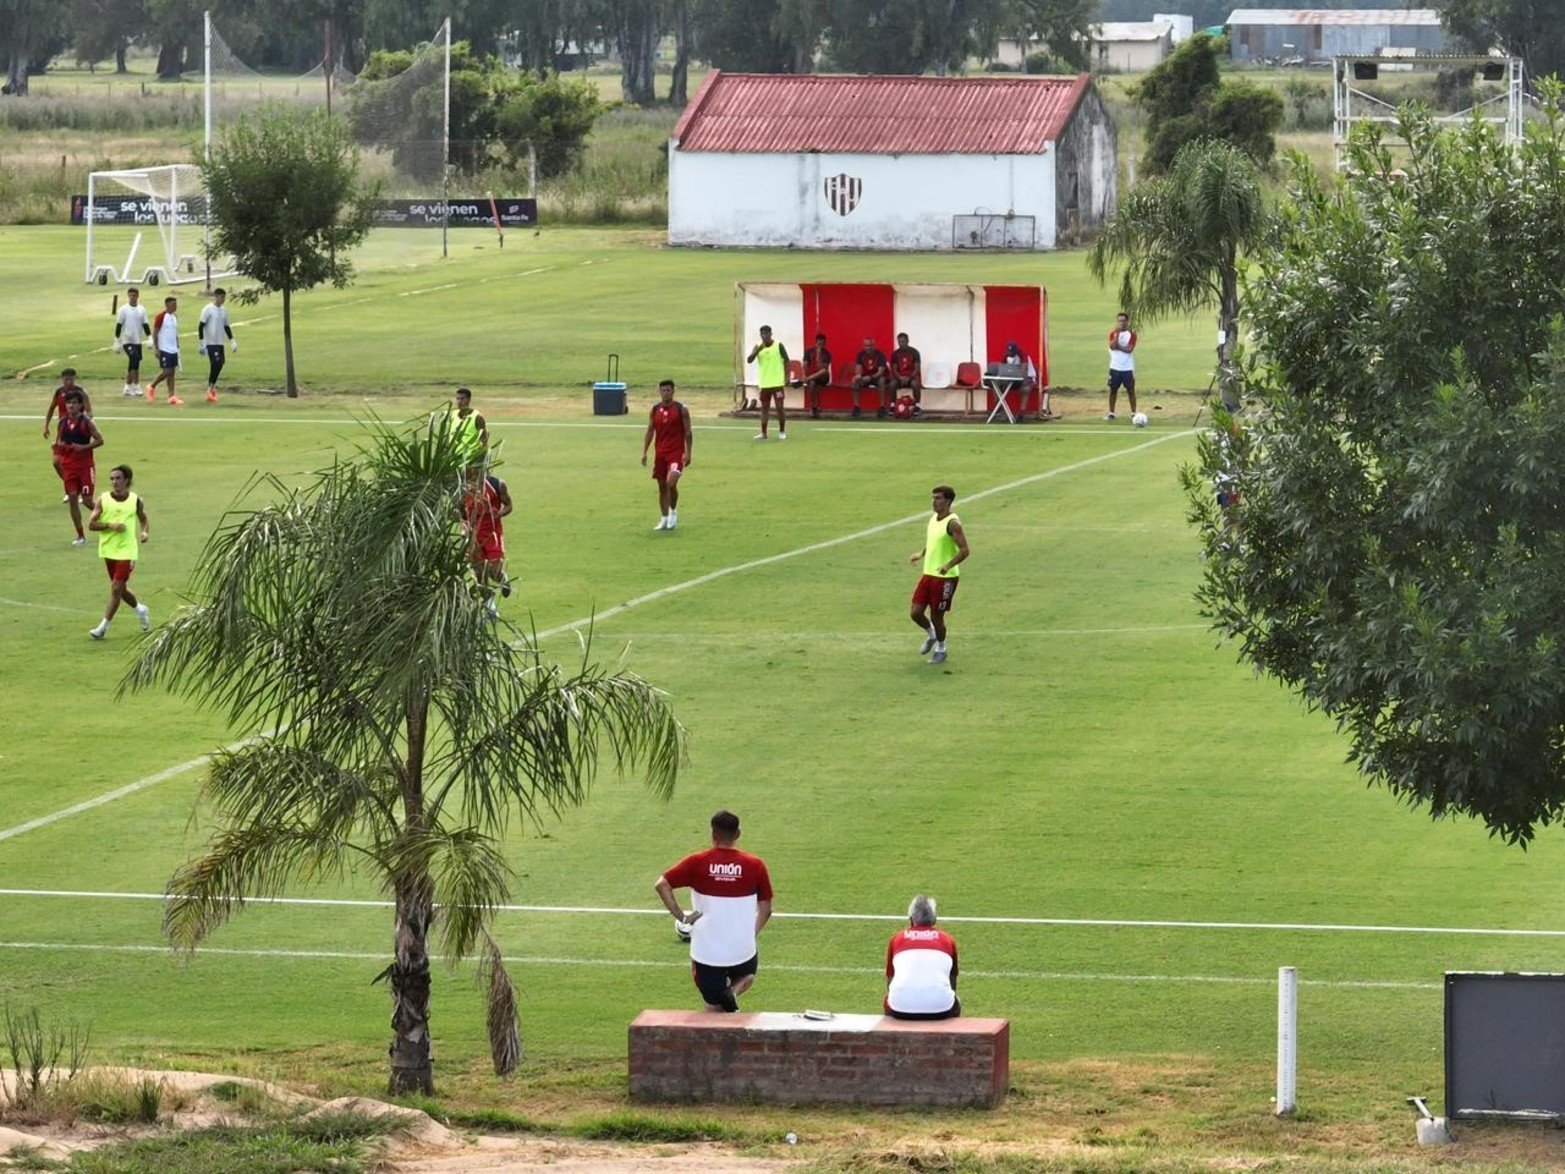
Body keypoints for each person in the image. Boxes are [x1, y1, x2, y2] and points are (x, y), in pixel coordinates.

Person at [655, 809, 773, 1013]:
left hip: (706, 951)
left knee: (713, 1007)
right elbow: (766, 908)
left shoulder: (697, 862)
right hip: (742, 948)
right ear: (738, 834)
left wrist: (682, 916)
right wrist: (750, 934)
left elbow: (661, 884)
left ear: (713, 834)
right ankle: (733, 992)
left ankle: (722, 1021)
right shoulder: (756, 865)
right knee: (747, 976)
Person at [908, 484, 970, 666]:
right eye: (933, 498)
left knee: (937, 616)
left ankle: (941, 648)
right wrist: (921, 553)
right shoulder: (933, 519)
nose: (934, 502)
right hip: (928, 574)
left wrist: (948, 565)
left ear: (948, 501)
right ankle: (932, 635)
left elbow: (965, 550)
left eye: (938, 498)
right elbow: (934, 542)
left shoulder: (953, 524)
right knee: (916, 613)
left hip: (945, 578)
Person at [87, 464, 151, 639]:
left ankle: (102, 628)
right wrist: (110, 525)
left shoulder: (136, 500)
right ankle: (140, 610)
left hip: (127, 550)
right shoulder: (103, 499)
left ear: (127, 480)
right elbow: (91, 524)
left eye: (118, 478)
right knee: (120, 589)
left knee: (115, 589)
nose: (114, 482)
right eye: (112, 479)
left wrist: (145, 532)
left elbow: (143, 519)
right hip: (108, 550)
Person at [884, 894, 960, 1020]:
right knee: (956, 1001)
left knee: (890, 999)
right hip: (941, 1009)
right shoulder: (947, 940)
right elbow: (952, 981)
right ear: (934, 919)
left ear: (911, 919)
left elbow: (890, 979)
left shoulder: (897, 939)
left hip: (899, 1008)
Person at [461, 464, 513, 618]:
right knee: (478, 573)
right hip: (473, 536)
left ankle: (502, 578)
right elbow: (460, 512)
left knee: (493, 572)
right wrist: (464, 528)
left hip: (492, 534)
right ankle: (491, 609)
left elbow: (509, 505)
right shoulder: (463, 488)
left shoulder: (497, 484)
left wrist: (500, 513)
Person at [640, 378, 692, 531]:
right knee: (662, 486)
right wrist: (644, 452)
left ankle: (673, 511)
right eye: (663, 390)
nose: (666, 393)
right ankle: (664, 518)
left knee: (671, 482)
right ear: (659, 391)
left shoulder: (681, 409)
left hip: (676, 452)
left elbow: (688, 433)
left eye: (668, 390)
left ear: (673, 391)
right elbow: (650, 430)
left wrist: (688, 453)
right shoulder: (655, 409)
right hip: (660, 453)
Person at [57, 390, 105, 547]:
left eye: (74, 403)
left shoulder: (86, 422)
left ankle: (109, 517)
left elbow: (100, 440)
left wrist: (84, 447)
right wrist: (58, 446)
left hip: (85, 466)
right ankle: (80, 535)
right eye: (69, 403)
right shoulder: (62, 423)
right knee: (72, 498)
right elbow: (60, 443)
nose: (71, 406)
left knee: (87, 501)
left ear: (80, 405)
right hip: (69, 466)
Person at [44, 368, 92, 503]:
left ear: (75, 378)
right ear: (62, 380)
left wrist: (88, 423)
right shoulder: (59, 392)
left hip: (77, 430)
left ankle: (82, 490)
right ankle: (71, 489)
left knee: (77, 463)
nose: (69, 382)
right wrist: (46, 426)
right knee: (56, 462)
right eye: (66, 379)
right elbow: (51, 408)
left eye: (71, 379)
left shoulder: (81, 393)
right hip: (63, 430)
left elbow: (89, 410)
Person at [745, 324, 789, 441]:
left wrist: (787, 377)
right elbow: (749, 360)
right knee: (764, 408)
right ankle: (764, 433)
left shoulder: (778, 345)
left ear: (771, 334)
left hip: (777, 383)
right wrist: (758, 350)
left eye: (766, 334)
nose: (764, 336)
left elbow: (787, 360)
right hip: (765, 384)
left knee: (780, 407)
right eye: (762, 334)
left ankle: (782, 431)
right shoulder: (758, 346)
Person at [197, 287, 237, 403]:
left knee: (220, 364)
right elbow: (201, 326)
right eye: (221, 297)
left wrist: (232, 341)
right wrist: (201, 342)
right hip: (211, 342)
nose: (223, 299)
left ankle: (211, 386)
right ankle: (210, 389)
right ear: (216, 296)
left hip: (219, 343)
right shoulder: (208, 309)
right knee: (217, 362)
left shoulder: (224, 310)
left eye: (224, 297)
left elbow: (226, 326)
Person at [114, 287, 151, 397]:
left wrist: (150, 337)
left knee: (134, 363)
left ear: (137, 296)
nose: (132, 297)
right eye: (130, 295)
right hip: (127, 340)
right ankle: (136, 385)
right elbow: (119, 325)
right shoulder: (123, 310)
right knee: (134, 358)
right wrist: (117, 340)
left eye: (134, 295)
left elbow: (145, 324)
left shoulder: (141, 310)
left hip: (137, 341)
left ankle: (127, 387)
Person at [146, 295, 183, 405]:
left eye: (176, 304)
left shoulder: (174, 317)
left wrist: (177, 345)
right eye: (173, 304)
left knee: (172, 373)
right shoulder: (161, 317)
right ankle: (151, 386)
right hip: (164, 349)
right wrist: (156, 348)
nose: (175, 306)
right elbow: (155, 333)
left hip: (173, 349)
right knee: (166, 371)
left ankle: (171, 396)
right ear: (167, 305)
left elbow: (175, 333)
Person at [1002, 339, 1046, 419]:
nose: (1010, 354)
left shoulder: (1022, 354)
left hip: (1027, 377)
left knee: (1025, 389)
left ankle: (1021, 413)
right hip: (1013, 379)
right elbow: (1002, 368)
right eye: (1009, 352)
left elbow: (1024, 369)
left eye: (1012, 353)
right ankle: (1000, 410)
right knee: (998, 386)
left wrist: (1018, 379)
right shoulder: (1006, 355)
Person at [1105, 312, 1137, 421]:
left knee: (1131, 390)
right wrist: (1117, 336)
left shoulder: (1132, 334)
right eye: (1119, 321)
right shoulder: (1113, 334)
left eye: (1123, 321)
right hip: (1115, 367)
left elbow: (1129, 349)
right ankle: (1111, 413)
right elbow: (1112, 346)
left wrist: (1118, 346)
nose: (1121, 323)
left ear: (1127, 321)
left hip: (1127, 368)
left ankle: (1133, 412)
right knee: (1113, 390)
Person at [851, 336, 890, 419]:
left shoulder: (880, 355)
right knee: (854, 380)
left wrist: (870, 377)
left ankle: (882, 407)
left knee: (882, 380)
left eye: (870, 346)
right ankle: (856, 407)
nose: (868, 348)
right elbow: (858, 370)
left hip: (877, 377)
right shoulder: (860, 355)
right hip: (866, 376)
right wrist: (859, 377)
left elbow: (880, 372)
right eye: (866, 346)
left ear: (874, 345)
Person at [797, 332, 833, 418]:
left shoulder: (827, 353)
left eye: (823, 344)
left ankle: (808, 380)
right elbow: (805, 364)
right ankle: (813, 406)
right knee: (813, 383)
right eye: (819, 343)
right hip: (812, 376)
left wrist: (819, 357)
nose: (821, 345)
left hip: (823, 377)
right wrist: (805, 375)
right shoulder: (808, 352)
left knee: (821, 373)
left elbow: (824, 369)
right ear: (816, 342)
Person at [450, 387, 488, 467]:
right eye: (458, 399)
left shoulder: (477, 417)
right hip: (454, 458)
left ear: (469, 399)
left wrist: (478, 458)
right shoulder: (453, 415)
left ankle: (496, 480)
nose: (459, 402)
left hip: (470, 460)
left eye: (462, 399)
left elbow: (484, 440)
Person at [888, 332, 923, 416]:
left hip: (911, 377)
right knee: (892, 384)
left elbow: (917, 368)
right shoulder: (895, 354)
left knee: (915, 384)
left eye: (903, 341)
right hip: (899, 377)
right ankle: (892, 406)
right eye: (899, 341)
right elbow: (894, 369)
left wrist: (909, 377)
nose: (901, 343)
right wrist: (900, 377)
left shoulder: (914, 352)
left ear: (907, 341)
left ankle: (917, 406)